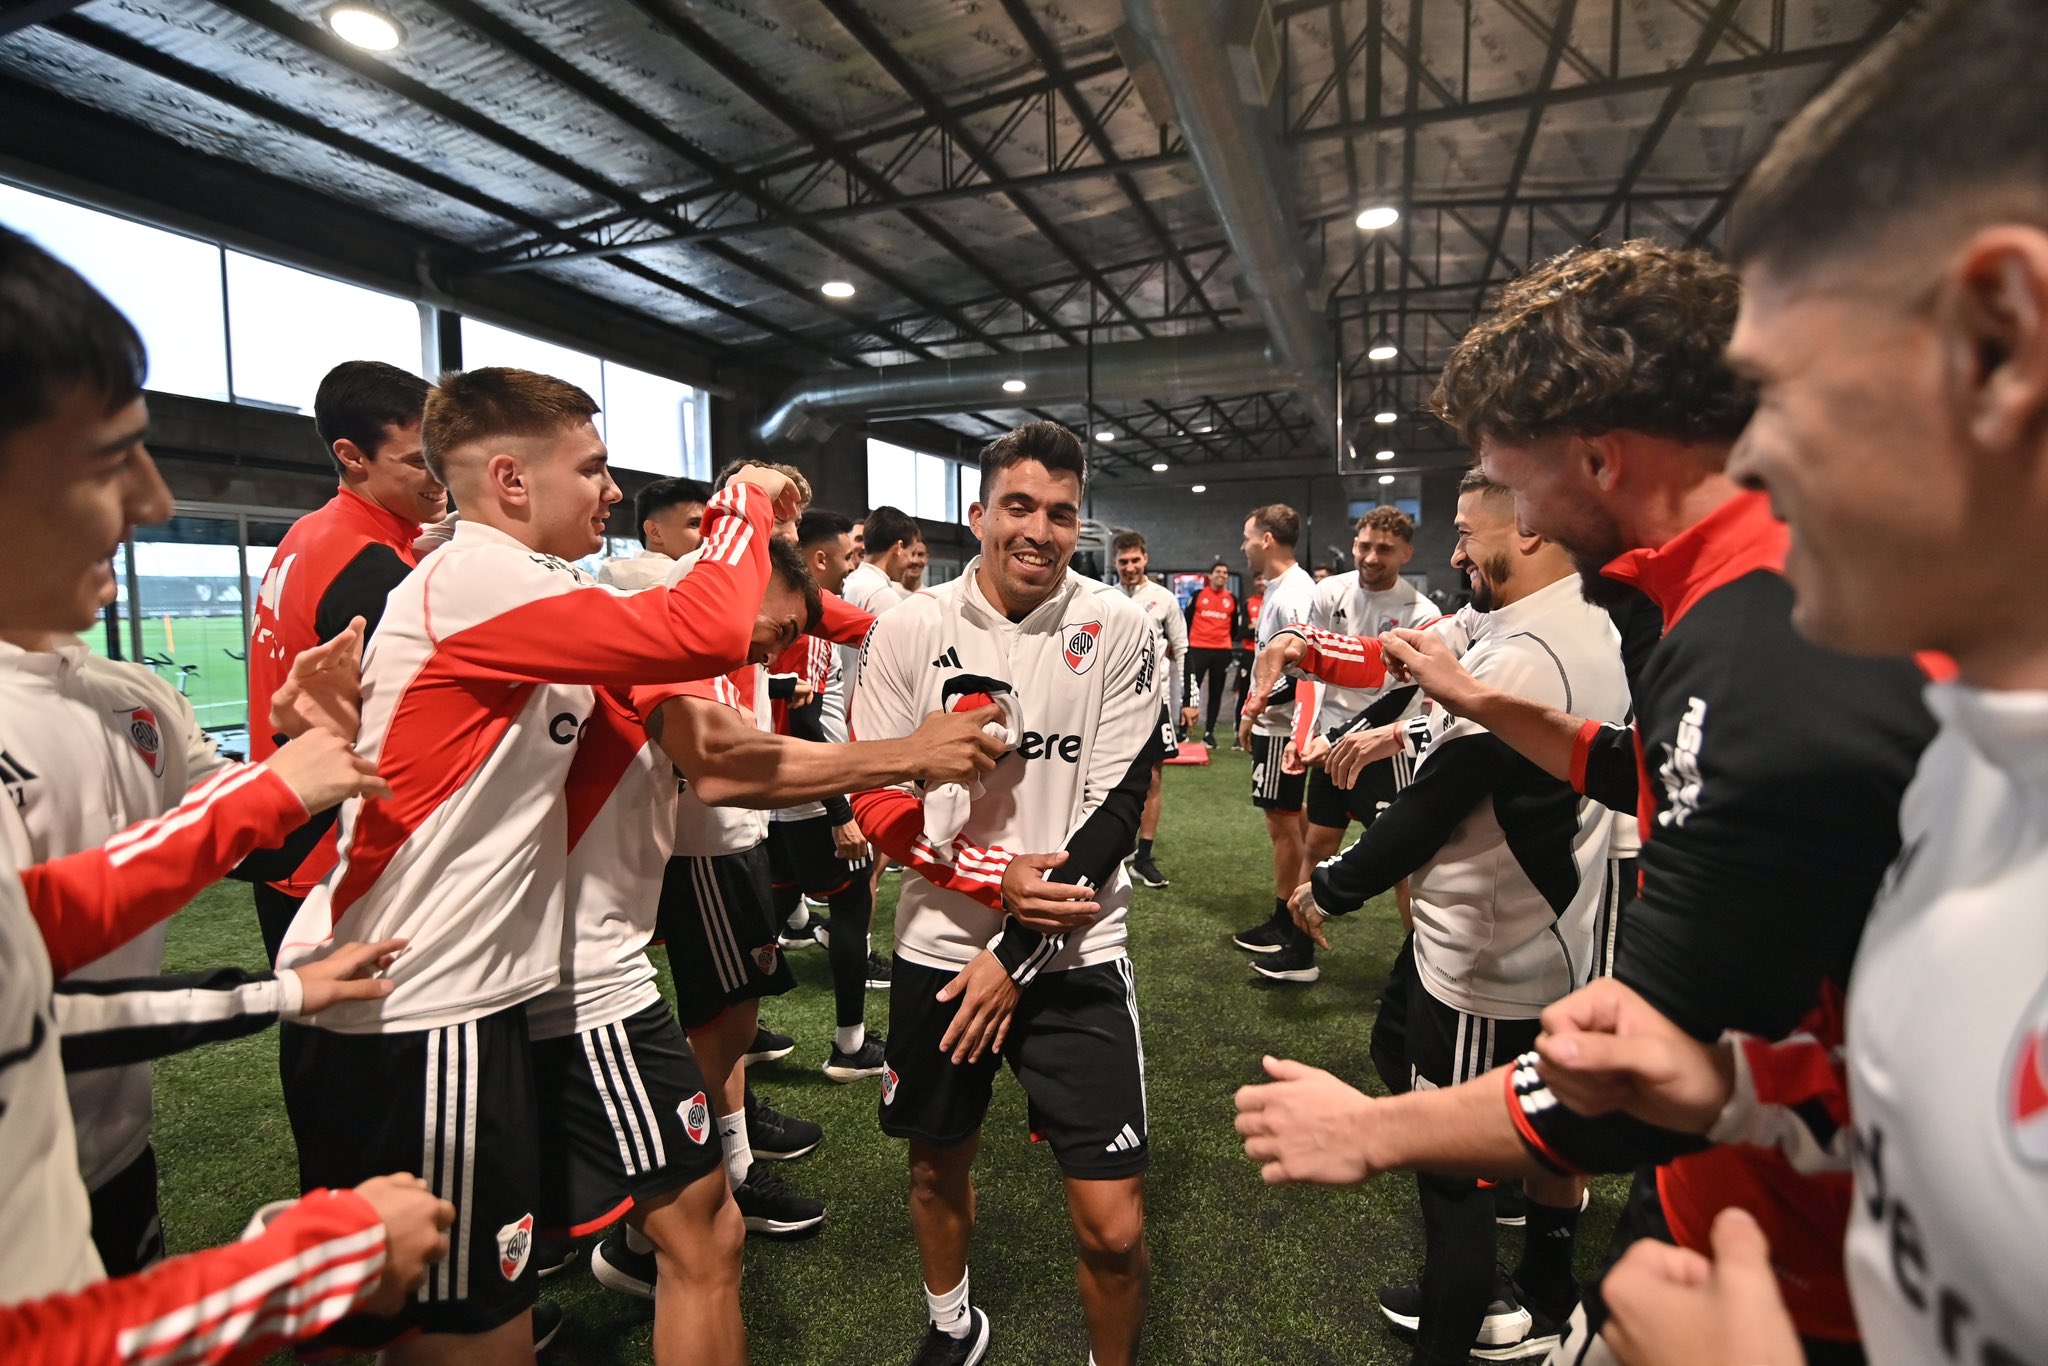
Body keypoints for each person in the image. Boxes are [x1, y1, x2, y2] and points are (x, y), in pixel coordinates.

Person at [1232, 240, 1938, 1366]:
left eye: (1515, 483)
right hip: (1790, 1192)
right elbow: (1644, 769)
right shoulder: (1726, 583)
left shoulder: (1761, 634)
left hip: (1815, 1271)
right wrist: (1472, 697)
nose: (1519, 519)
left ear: (1598, 461)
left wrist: (1370, 1129)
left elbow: (1645, 1069)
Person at [1510, 6, 2048, 1363]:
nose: (1758, 465)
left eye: (1782, 395)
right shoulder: (1975, 775)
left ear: (2001, 343)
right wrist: (1740, 1092)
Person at [274, 366, 799, 1363]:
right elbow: (704, 626)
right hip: (418, 1008)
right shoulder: (480, 578)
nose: (611, 492)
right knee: (453, 1341)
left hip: (450, 1001)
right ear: (511, 480)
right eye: (593, 469)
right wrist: (744, 502)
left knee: (399, 1324)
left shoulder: (527, 580)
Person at [0, 224, 454, 1363]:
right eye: (112, 458)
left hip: (93, 1148)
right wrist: (305, 1265)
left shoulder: (122, 688)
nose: (154, 500)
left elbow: (33, 969)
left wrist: (285, 776)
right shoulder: (365, 555)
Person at [1286, 472, 1630, 1362]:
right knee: (1523, 1105)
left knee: (1449, 1167)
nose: (1453, 551)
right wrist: (1377, 713)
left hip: (1492, 945)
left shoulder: (1529, 649)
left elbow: (1435, 807)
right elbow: (1429, 666)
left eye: (1468, 532)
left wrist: (1323, 889)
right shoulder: (1567, 617)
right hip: (1549, 930)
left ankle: (1473, 1325)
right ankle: (1548, 1283)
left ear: (1529, 534)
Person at [850, 421, 1164, 1366]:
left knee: (1113, 1227)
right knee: (937, 1166)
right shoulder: (909, 625)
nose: (1039, 530)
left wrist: (1012, 956)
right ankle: (953, 1324)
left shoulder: (1119, 624)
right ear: (977, 514)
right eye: (1019, 507)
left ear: (1080, 525)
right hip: (942, 955)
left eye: (1061, 513)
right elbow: (873, 797)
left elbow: (1113, 818)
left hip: (1076, 957)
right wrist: (987, 892)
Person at [246, 360, 442, 961]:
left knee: (316, 1040)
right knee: (357, 1046)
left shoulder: (309, 533)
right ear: (352, 455)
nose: (441, 479)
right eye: (417, 462)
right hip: (331, 849)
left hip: (288, 831)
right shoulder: (371, 571)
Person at [1247, 506, 1438, 984]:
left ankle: (1416, 975)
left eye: (1384, 549)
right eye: (1363, 546)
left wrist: (1334, 737)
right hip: (1329, 746)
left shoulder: (1424, 613)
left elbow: (1401, 695)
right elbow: (1314, 671)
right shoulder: (1329, 592)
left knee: (1402, 863)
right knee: (1317, 843)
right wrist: (1302, 736)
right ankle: (1299, 953)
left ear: (1406, 552)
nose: (1371, 557)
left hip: (1383, 750)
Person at [768, 510, 894, 1073]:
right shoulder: (806, 622)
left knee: (769, 908)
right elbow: (808, 720)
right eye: (847, 556)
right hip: (807, 789)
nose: (854, 567)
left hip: (767, 791)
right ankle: (850, 1047)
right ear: (817, 561)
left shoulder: (773, 612)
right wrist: (840, 809)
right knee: (850, 903)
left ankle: (745, 1033)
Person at [1230, 506, 1320, 982]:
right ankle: (1297, 909)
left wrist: (1255, 709)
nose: (1242, 546)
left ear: (1267, 539)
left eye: (1247, 537)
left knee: (1281, 824)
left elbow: (1307, 669)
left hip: (1285, 727)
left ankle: (1288, 920)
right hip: (1278, 723)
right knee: (1291, 821)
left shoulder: (1296, 593)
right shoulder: (1281, 590)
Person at [1111, 531, 1186, 890]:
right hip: (1112, 702)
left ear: (1145, 559)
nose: (1129, 567)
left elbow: (1182, 652)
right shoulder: (1103, 597)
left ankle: (1143, 855)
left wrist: (1187, 702)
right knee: (1108, 776)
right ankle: (1117, 845)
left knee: (1153, 778)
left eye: (1135, 560)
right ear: (1115, 563)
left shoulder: (1164, 599)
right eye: (1123, 562)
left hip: (1155, 702)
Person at [598, 476, 712, 588]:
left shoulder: (617, 583)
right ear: (655, 532)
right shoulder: (678, 587)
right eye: (694, 524)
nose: (708, 535)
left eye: (709, 526)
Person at [1180, 561, 1238, 746]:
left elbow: (1234, 627)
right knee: (1191, 690)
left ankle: (1209, 733)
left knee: (1216, 692)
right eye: (1218, 571)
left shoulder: (1231, 599)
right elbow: (1186, 620)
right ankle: (1182, 731)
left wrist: (1225, 645)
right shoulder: (1198, 595)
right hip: (1198, 648)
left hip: (1221, 650)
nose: (1222, 574)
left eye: (1225, 572)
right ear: (1211, 575)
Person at [845, 505, 923, 612]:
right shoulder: (883, 597)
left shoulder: (850, 580)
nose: (912, 561)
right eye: (911, 553)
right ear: (899, 547)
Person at [1230, 577, 1263, 747]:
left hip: (1268, 655)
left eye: (1264, 579)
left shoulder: (1273, 601)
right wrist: (1255, 628)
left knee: (1265, 693)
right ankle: (1238, 735)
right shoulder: (1248, 604)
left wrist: (1255, 626)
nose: (1261, 582)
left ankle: (1259, 733)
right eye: (1258, 580)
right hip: (1249, 654)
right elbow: (1241, 632)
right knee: (1244, 693)